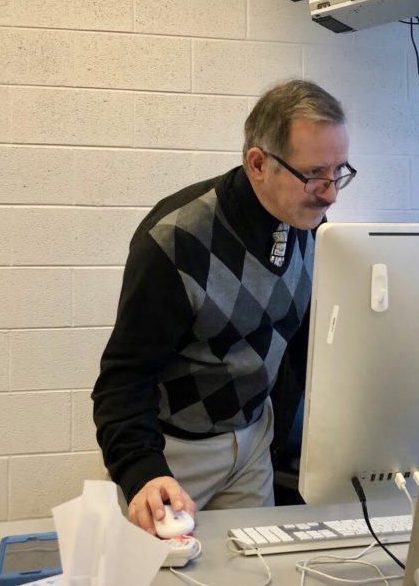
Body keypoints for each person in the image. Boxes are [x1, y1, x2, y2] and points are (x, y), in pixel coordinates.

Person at [91, 79, 355, 535]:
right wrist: (142, 472)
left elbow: (302, 345)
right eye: (314, 174)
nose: (330, 194)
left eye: (339, 172)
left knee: (256, 571)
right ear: (258, 163)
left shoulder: (309, 224)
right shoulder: (175, 240)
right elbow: (123, 380)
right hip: (174, 452)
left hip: (254, 443)